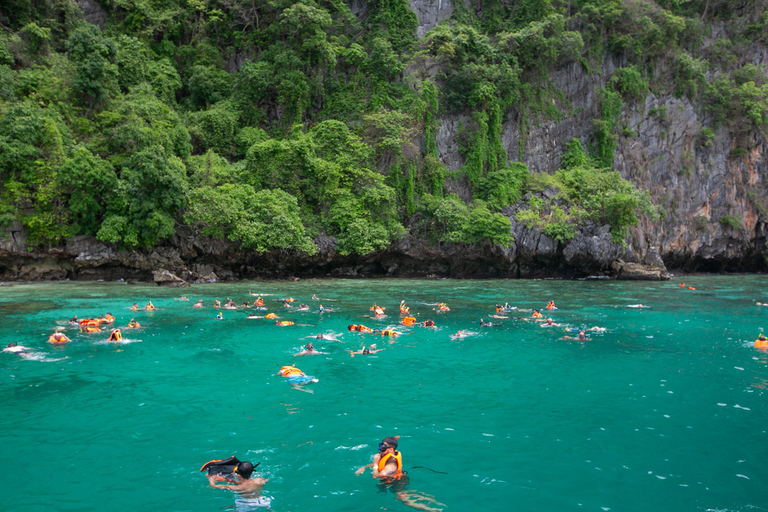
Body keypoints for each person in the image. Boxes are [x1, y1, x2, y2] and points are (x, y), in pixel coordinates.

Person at [356, 437, 443, 512]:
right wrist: (364, 467)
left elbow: (376, 476)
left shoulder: (391, 464)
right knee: (404, 494)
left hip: (398, 481)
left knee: (403, 499)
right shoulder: (386, 454)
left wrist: (375, 464)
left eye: (383, 447)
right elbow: (381, 464)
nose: (380, 449)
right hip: (396, 477)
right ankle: (424, 497)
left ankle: (432, 510)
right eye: (381, 445)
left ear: (391, 449)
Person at [207, 461, 271, 510]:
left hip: (246, 504)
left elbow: (214, 486)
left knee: (224, 508)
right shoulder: (259, 480)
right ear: (252, 472)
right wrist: (231, 481)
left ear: (239, 475)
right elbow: (267, 480)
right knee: (269, 509)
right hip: (262, 501)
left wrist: (211, 479)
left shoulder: (238, 488)